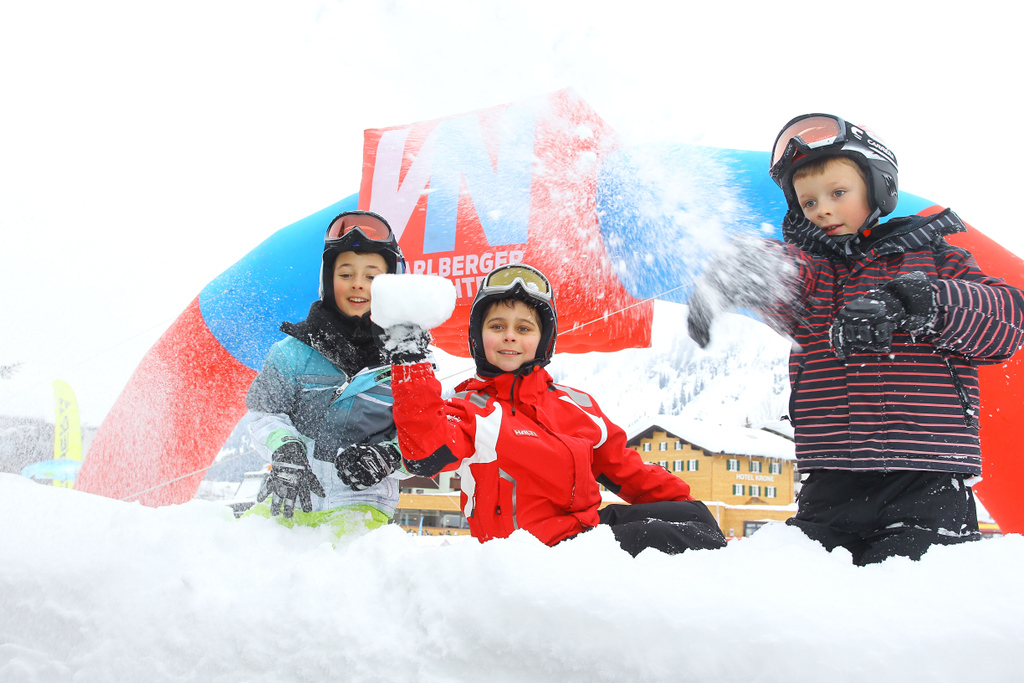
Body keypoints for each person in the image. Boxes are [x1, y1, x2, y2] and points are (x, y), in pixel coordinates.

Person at [687, 113, 1024, 565]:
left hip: (924, 479)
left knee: (911, 591)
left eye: (837, 193)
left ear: (878, 186)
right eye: (808, 201)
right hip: (831, 482)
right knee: (808, 587)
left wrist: (915, 300)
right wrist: (737, 271)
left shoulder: (937, 259)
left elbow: (1006, 322)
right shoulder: (815, 276)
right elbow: (784, 275)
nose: (821, 209)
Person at [354, 263, 726, 556]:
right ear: (479, 338)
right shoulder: (472, 410)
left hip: (587, 531)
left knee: (693, 517)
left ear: (543, 338)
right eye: (497, 325)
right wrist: (410, 360)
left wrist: (684, 503)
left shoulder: (575, 404)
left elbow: (624, 469)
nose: (510, 335)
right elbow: (425, 450)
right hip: (532, 553)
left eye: (524, 328)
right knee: (663, 537)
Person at [243, 210, 409, 537]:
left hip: (363, 507)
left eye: (372, 277)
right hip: (291, 498)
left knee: (342, 562)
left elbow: (426, 437)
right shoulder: (292, 353)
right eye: (346, 273)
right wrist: (285, 448)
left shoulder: (406, 363)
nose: (358, 284)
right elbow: (263, 413)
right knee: (235, 547)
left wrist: (389, 455)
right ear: (328, 280)